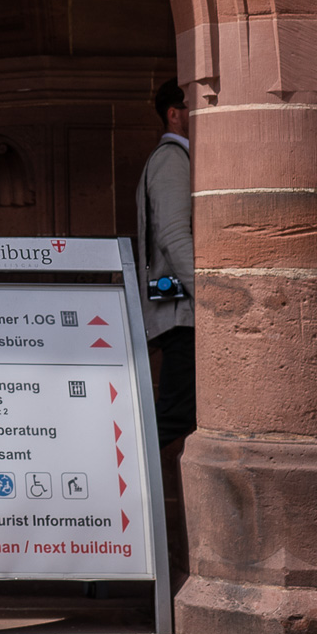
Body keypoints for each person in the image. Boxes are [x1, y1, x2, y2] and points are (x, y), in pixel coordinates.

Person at [135, 77, 196, 449]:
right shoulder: (173, 159)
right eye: (194, 107)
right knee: (173, 420)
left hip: (180, 309)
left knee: (178, 418)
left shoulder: (176, 158)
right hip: (184, 314)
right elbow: (174, 236)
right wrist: (212, 296)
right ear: (174, 115)